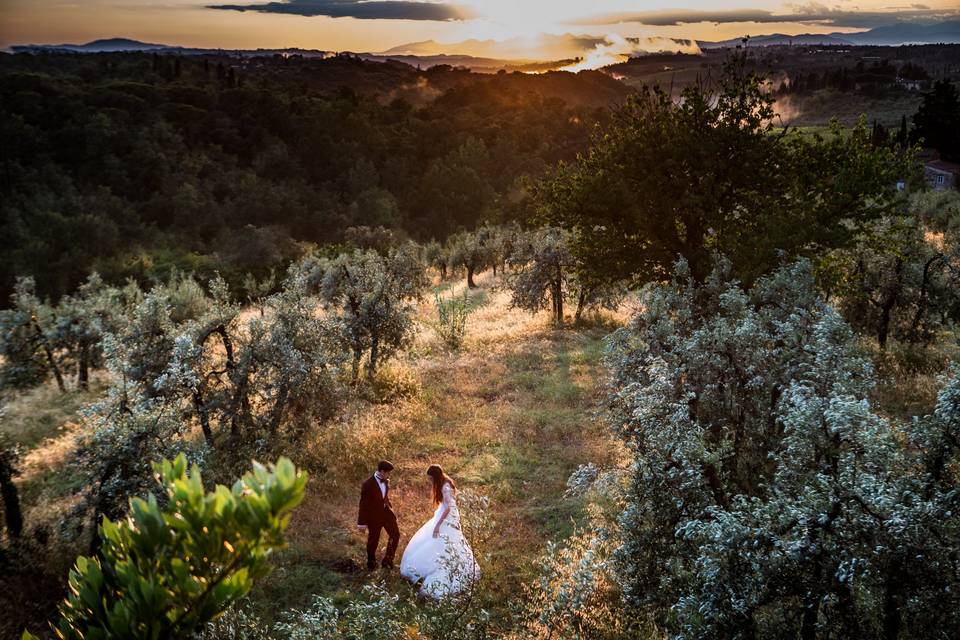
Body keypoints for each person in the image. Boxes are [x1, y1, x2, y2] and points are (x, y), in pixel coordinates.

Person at [400, 464, 480, 598]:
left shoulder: (445, 486)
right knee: (435, 539)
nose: (430, 481)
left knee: (444, 538)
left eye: (431, 478)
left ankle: (443, 567)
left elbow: (448, 507)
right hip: (444, 513)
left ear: (435, 477)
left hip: (448, 517)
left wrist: (438, 524)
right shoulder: (444, 483)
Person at [357, 460, 400, 570]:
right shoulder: (368, 484)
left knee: (395, 535)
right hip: (374, 516)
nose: (389, 475)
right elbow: (363, 505)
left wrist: (389, 507)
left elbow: (384, 496)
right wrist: (361, 523)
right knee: (373, 540)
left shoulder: (385, 481)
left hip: (386, 513)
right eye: (388, 473)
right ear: (381, 471)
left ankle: (387, 560)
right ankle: (371, 563)